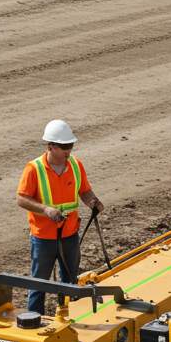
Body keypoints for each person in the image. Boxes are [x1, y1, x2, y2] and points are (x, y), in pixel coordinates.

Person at [16, 119, 103, 313]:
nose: (68, 151)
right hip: (43, 239)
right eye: (64, 147)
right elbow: (21, 199)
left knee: (70, 283)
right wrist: (46, 210)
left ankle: (68, 317)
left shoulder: (75, 165)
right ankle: (34, 321)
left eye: (70, 146)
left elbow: (85, 190)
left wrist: (92, 201)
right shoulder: (34, 169)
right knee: (39, 285)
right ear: (50, 146)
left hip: (69, 236)